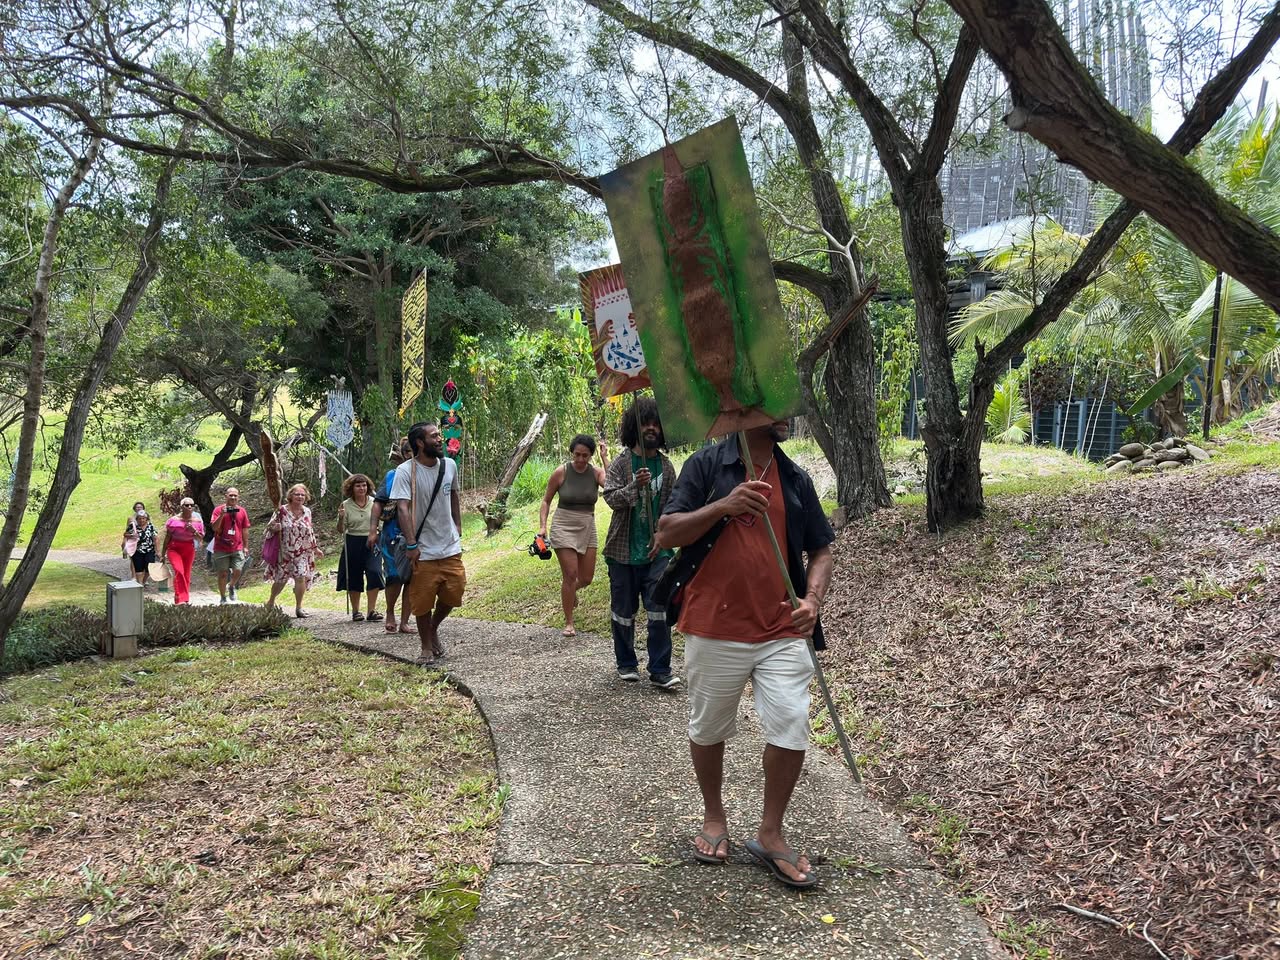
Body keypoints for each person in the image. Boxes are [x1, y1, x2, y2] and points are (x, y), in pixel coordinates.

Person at [656, 420, 835, 889]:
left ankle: (770, 833)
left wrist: (812, 601)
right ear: (745, 407)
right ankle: (714, 817)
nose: (786, 413)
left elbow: (821, 549)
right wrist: (724, 505)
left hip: (782, 628)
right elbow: (667, 532)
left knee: (792, 723)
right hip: (714, 625)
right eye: (775, 404)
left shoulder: (794, 478)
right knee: (709, 726)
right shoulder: (706, 466)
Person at [602, 397, 679, 688]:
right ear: (634, 427)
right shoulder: (621, 463)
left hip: (658, 552)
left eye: (656, 424)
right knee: (623, 612)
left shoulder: (666, 467)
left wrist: (664, 536)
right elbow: (611, 498)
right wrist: (635, 486)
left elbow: (672, 506)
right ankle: (626, 662)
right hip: (622, 552)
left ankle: (660, 669)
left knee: (659, 609)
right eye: (645, 423)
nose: (651, 428)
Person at [392, 421, 464, 665]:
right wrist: (412, 544)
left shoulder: (449, 465)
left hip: (449, 545)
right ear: (420, 443)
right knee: (422, 601)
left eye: (439, 435)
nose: (440, 439)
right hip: (422, 549)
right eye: (434, 436)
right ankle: (425, 647)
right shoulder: (405, 471)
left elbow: (454, 494)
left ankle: (433, 628)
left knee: (454, 593)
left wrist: (458, 524)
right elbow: (402, 508)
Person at [539, 433, 605, 637]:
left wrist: (605, 458)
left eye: (585, 455)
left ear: (591, 456)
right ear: (572, 453)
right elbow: (546, 501)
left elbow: (612, 486)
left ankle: (571, 591)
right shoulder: (562, 472)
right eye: (577, 454)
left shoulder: (596, 473)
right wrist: (543, 527)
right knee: (570, 574)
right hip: (563, 524)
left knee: (586, 578)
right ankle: (569, 622)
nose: (580, 459)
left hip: (587, 524)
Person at [264, 483, 323, 618]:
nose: (300, 497)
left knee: (301, 577)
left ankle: (299, 608)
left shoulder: (307, 511)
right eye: (297, 494)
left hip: (302, 552)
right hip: (284, 552)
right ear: (290, 495)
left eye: (302, 495)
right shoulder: (281, 510)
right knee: (281, 579)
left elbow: (310, 531)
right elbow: (269, 527)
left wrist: (315, 548)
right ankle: (271, 601)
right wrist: (275, 527)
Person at [337, 473, 385, 621]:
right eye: (358, 486)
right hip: (353, 541)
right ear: (351, 488)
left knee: (375, 572)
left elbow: (382, 521)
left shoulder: (374, 502)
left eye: (364, 485)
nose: (361, 488)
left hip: (372, 540)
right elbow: (340, 529)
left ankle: (371, 611)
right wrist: (341, 518)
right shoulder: (345, 505)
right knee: (354, 576)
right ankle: (356, 611)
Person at [379, 438, 414, 635]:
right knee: (394, 576)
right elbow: (378, 503)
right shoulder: (392, 476)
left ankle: (405, 621)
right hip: (393, 533)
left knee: (412, 578)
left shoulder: (426, 473)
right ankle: (390, 612)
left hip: (418, 532)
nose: (412, 455)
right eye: (408, 451)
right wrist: (372, 529)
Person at [210, 488, 251, 603]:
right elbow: (214, 528)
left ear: (238, 497)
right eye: (231, 495)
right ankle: (223, 597)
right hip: (221, 547)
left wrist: (246, 546)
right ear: (226, 496)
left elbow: (245, 529)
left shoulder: (242, 511)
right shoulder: (218, 510)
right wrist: (222, 515)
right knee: (223, 573)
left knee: (238, 569)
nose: (233, 497)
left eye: (235, 495)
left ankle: (231, 585)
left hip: (237, 546)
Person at [160, 498, 205, 604]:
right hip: (174, 549)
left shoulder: (197, 521)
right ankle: (182, 598)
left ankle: (182, 599)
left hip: (188, 548)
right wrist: (162, 554)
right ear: (181, 507)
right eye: (187, 505)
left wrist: (193, 531)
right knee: (179, 571)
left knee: (186, 574)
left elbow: (200, 539)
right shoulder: (173, 521)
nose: (189, 507)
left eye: (191, 505)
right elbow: (167, 537)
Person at [121, 508, 157, 587]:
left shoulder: (151, 526)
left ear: (146, 519)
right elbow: (125, 534)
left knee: (149, 568)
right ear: (137, 519)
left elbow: (155, 537)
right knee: (139, 568)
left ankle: (143, 581)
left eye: (143, 518)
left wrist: (157, 550)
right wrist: (132, 535)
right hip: (137, 550)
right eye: (139, 519)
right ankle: (140, 584)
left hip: (149, 550)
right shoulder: (133, 526)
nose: (141, 520)